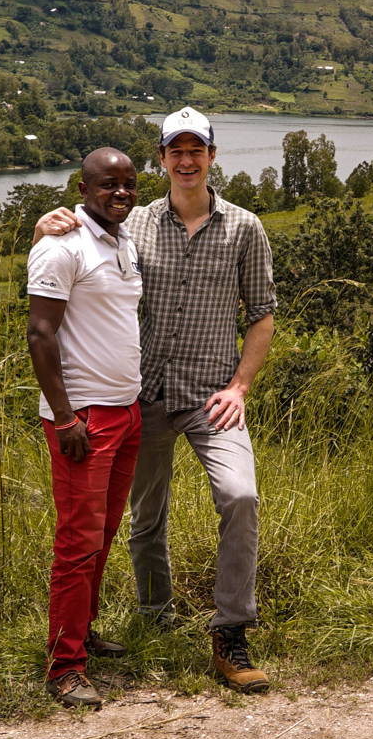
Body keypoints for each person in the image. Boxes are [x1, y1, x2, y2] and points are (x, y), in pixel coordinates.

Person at [34, 107, 276, 693]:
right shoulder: (133, 222)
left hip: (211, 397)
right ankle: (153, 615)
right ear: (162, 158)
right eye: (176, 151)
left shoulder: (245, 228)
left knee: (240, 496)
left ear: (212, 156)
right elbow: (78, 250)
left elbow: (263, 314)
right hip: (139, 396)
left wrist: (240, 387)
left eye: (197, 150)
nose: (186, 161)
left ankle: (231, 631)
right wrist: (44, 226)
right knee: (144, 518)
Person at [27, 147, 142, 709]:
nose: (120, 192)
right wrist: (65, 416)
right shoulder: (60, 245)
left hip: (126, 410)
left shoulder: (122, 240)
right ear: (83, 187)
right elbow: (40, 333)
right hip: (84, 418)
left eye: (129, 183)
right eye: (107, 184)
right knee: (77, 542)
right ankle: (64, 667)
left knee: (102, 535)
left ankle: (82, 632)